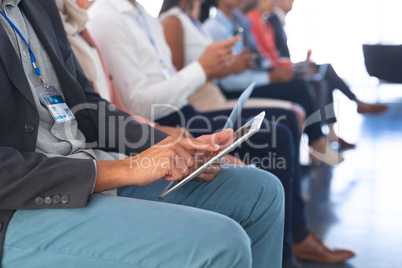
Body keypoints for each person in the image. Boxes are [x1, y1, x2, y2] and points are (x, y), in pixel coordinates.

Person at [0, 0, 286, 267]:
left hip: (92, 163)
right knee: (224, 242)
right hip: (22, 203)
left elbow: (88, 107)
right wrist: (127, 168)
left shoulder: (37, 6)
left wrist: (175, 146)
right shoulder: (108, 18)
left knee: (262, 192)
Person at [201, 0, 344, 166]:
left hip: (247, 82)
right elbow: (229, 80)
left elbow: (259, 61)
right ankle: (316, 143)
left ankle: (311, 149)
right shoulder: (215, 28)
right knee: (299, 88)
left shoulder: (238, 22)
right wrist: (271, 77)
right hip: (235, 89)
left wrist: (282, 70)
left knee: (301, 93)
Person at [159, 0, 306, 131]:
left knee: (292, 115)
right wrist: (230, 67)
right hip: (203, 103)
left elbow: (207, 71)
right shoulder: (175, 20)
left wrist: (233, 65)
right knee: (289, 120)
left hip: (216, 95)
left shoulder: (194, 21)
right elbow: (177, 78)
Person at [269, 0, 388, 148]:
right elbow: (274, 60)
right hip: (279, 75)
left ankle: (333, 132)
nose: (293, 1)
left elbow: (277, 57)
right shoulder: (271, 21)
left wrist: (299, 65)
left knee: (325, 73)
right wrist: (296, 67)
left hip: (285, 70)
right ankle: (351, 109)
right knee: (323, 78)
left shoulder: (277, 22)